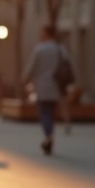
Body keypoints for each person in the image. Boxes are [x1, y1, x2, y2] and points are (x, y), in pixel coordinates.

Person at [21, 25, 74, 156]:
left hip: (42, 85)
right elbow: (68, 65)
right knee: (51, 112)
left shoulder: (39, 49)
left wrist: (25, 79)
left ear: (45, 33)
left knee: (44, 111)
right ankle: (50, 134)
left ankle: (48, 135)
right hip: (57, 85)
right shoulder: (61, 49)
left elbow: (31, 68)